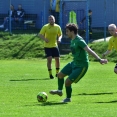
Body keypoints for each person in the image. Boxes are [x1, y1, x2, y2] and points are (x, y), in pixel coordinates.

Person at [49, 23, 108, 103]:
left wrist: (99, 59)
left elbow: (89, 50)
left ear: (72, 31)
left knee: (67, 82)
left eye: (67, 31)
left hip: (82, 65)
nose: (66, 33)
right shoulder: (72, 40)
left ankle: (68, 98)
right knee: (60, 75)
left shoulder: (79, 40)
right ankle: (59, 91)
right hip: (74, 63)